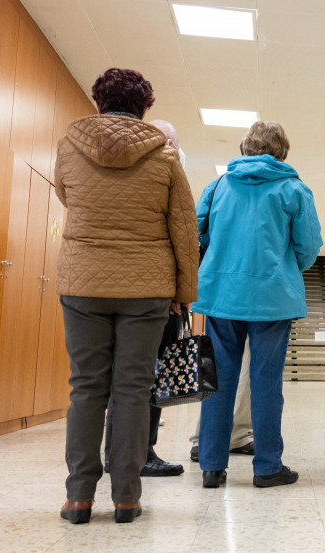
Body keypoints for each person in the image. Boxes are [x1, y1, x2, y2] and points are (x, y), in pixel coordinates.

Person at [55, 68, 198, 524]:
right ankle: (127, 498)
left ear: (99, 103)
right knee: (134, 390)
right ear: (146, 108)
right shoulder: (166, 157)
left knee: (86, 389)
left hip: (84, 283)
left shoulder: (69, 147)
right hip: (146, 288)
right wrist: (184, 292)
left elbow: (66, 196)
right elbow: (183, 228)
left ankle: (79, 498)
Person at [194, 121, 322, 489]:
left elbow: (197, 232)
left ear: (244, 147)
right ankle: (267, 467)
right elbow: (309, 245)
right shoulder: (295, 190)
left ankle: (212, 466)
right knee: (266, 382)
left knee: (217, 381)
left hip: (221, 295)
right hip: (272, 299)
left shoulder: (218, 186)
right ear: (282, 151)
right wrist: (284, 268)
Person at [102, 119, 188, 479]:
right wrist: (180, 292)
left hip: (109, 290)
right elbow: (180, 235)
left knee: (120, 378)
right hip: (154, 294)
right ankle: (141, 453)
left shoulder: (116, 170)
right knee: (151, 377)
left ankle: (118, 453)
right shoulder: (165, 171)